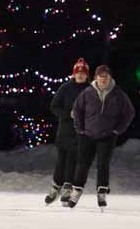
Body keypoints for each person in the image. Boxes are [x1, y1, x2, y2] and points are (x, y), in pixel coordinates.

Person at [68, 64, 135, 208]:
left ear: (110, 78)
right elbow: (77, 109)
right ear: (96, 77)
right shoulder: (87, 92)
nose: (103, 79)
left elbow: (129, 113)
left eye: (106, 76)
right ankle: (76, 191)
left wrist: (117, 130)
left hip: (107, 136)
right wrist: (80, 129)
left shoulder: (118, 94)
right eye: (101, 76)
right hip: (87, 135)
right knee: (83, 163)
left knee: (103, 164)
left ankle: (102, 192)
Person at [44, 58, 90, 206]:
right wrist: (67, 114)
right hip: (65, 130)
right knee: (61, 161)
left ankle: (67, 189)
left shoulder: (90, 90)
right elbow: (54, 106)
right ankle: (55, 187)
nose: (80, 75)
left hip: (81, 132)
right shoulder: (65, 88)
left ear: (87, 75)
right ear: (74, 74)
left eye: (83, 73)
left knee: (73, 160)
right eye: (78, 72)